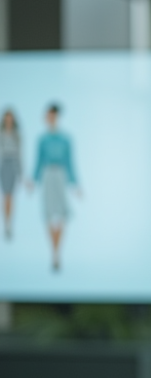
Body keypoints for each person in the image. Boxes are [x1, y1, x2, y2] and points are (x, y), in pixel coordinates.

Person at [33, 103, 80, 271]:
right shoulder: (42, 139)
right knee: (48, 214)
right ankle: (54, 253)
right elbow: (38, 161)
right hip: (47, 175)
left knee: (61, 214)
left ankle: (56, 252)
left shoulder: (65, 139)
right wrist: (34, 179)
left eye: (52, 115)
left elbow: (70, 162)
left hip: (60, 176)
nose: (50, 118)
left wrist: (75, 184)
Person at [0, 109, 22, 240]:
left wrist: (20, 172)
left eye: (10, 118)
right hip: (3, 165)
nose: (8, 120)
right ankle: (6, 224)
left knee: (10, 196)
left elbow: (19, 154)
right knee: (5, 195)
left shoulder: (16, 135)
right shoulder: (1, 134)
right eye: (7, 118)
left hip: (13, 165)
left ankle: (9, 224)